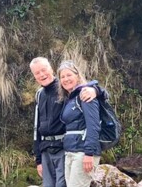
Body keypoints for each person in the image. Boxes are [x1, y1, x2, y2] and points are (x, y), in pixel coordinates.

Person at [30, 57, 97, 187]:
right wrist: (38, 159)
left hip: (64, 147)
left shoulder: (64, 87)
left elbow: (82, 90)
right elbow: (36, 128)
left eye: (44, 70)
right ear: (34, 76)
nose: (42, 74)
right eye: (37, 73)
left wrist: (96, 91)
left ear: (51, 69)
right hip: (45, 150)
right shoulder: (39, 94)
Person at [57, 60, 101, 187]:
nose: (66, 79)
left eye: (69, 75)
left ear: (77, 75)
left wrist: (89, 153)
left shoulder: (85, 95)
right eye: (62, 77)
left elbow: (94, 125)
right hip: (71, 150)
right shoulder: (70, 99)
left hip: (83, 152)